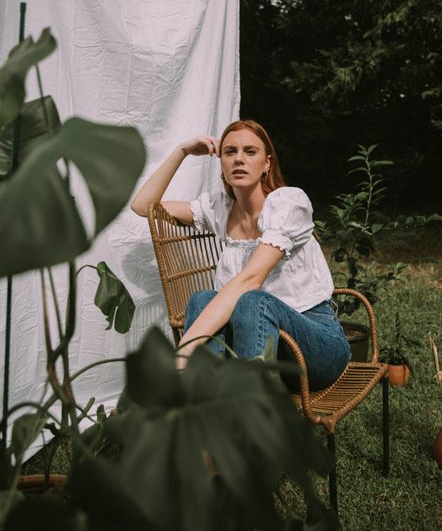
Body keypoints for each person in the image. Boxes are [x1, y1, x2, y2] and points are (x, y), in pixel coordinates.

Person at [131, 119, 350, 388]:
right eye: (230, 152)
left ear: (267, 163)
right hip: (251, 348)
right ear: (221, 163)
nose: (239, 159)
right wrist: (182, 151)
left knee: (253, 300)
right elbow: (144, 206)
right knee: (203, 299)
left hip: (313, 350)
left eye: (250, 151)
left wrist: (182, 351)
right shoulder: (218, 209)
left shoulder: (288, 204)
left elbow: (250, 280)